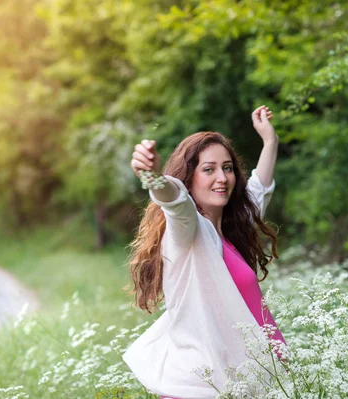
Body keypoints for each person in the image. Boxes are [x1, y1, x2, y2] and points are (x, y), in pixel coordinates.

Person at [122, 106, 286, 399]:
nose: (221, 178)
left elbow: (259, 190)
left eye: (227, 167)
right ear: (188, 178)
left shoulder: (233, 229)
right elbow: (175, 204)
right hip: (207, 388)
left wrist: (270, 141)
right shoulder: (189, 232)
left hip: (246, 382)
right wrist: (152, 178)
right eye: (208, 169)